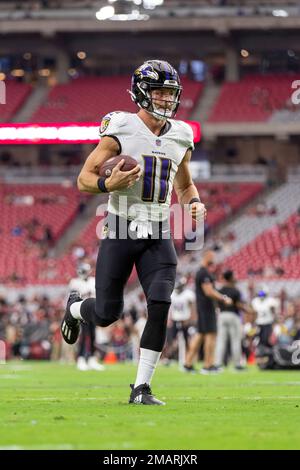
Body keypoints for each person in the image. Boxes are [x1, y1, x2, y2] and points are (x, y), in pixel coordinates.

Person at [60, 59, 206, 405]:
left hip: (159, 230)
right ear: (141, 91)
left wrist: (194, 203)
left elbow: (184, 186)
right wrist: (107, 182)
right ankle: (76, 310)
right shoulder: (122, 127)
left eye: (170, 92)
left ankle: (141, 388)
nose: (165, 98)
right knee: (108, 313)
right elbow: (83, 179)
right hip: (121, 227)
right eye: (159, 91)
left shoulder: (182, 134)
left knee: (160, 304)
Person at [184, 251, 232, 375]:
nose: (214, 259)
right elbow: (209, 291)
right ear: (206, 257)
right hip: (206, 308)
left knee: (199, 335)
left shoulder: (201, 272)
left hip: (203, 308)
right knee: (211, 335)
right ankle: (208, 365)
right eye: (211, 256)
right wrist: (223, 298)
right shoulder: (204, 273)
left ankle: (187, 363)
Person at [69, 263, 105, 371]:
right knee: (84, 335)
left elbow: (97, 296)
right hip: (81, 311)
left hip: (93, 311)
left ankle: (92, 359)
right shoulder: (75, 282)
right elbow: (74, 297)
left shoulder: (93, 281)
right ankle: (81, 358)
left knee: (93, 335)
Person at [215, 270, 252, 371]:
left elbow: (217, 303)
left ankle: (218, 364)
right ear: (230, 277)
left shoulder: (220, 290)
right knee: (235, 340)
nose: (235, 277)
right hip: (233, 315)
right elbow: (239, 305)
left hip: (222, 315)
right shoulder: (235, 290)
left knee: (221, 341)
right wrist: (247, 310)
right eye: (234, 276)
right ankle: (237, 365)